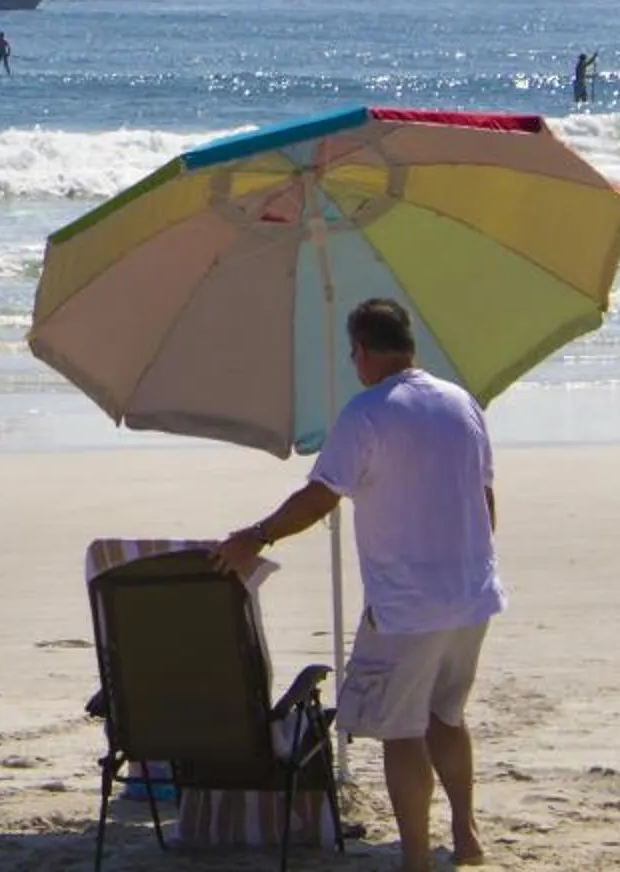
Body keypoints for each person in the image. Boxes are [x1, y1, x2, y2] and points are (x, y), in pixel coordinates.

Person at [210, 299, 499, 872]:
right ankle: (466, 839)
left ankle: (416, 858)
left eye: (353, 355)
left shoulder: (368, 412)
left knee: (401, 730)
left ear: (362, 351)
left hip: (407, 605)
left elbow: (321, 495)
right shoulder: (460, 402)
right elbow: (485, 498)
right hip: (473, 593)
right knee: (447, 715)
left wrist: (258, 535)